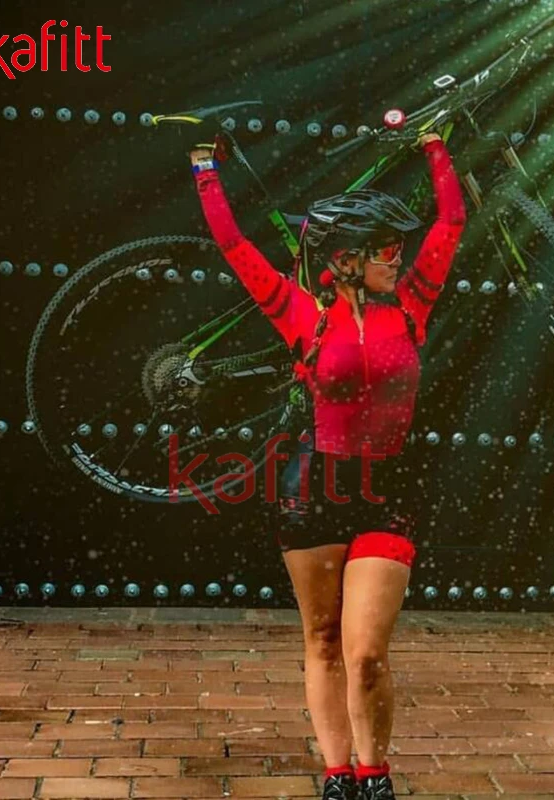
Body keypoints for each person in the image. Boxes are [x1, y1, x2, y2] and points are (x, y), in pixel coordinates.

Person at [189, 130, 466, 800]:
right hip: (312, 491)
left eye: (398, 249)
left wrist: (435, 148)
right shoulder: (299, 311)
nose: (398, 260)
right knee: (321, 638)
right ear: (345, 259)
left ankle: (375, 773)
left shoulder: (413, 304)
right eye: (384, 251)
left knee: (365, 653)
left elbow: (451, 222)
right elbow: (234, 246)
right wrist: (204, 170)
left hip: (386, 490)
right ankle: (338, 774)